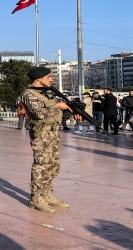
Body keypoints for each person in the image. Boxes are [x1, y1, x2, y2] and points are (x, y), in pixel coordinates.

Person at [20, 66, 78, 213]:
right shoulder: (29, 94)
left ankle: (46, 194)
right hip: (41, 135)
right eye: (48, 77)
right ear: (38, 78)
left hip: (53, 133)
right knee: (41, 165)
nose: (51, 79)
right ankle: (36, 198)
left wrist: (70, 112)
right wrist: (58, 106)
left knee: (52, 165)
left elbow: (57, 113)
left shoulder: (48, 93)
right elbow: (39, 113)